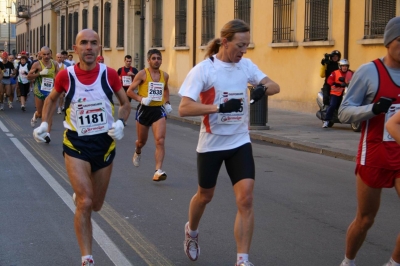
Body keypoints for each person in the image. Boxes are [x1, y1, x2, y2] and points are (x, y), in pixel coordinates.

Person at [178, 19, 280, 266]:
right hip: (212, 143)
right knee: (205, 196)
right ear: (225, 42)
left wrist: (261, 89)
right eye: (240, 45)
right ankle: (192, 231)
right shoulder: (204, 70)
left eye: (247, 45)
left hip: (239, 141)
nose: (244, 51)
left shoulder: (246, 66)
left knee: (246, 198)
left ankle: (242, 260)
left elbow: (275, 86)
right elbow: (184, 108)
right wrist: (218, 107)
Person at [32, 29, 131, 266]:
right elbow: (51, 99)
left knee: (95, 205)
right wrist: (45, 123)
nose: (88, 47)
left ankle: (82, 193)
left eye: (93, 43)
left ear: (99, 49)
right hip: (76, 143)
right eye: (83, 43)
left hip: (104, 144)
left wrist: (120, 121)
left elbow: (125, 103)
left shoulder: (109, 75)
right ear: (75, 49)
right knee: (86, 202)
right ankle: (87, 258)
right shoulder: (66, 76)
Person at [338, 16, 400, 266]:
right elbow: (343, 112)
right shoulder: (369, 72)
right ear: (389, 41)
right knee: (365, 218)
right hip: (374, 154)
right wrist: (373, 109)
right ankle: (348, 261)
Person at [126, 49, 172, 181]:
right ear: (148, 60)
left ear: (161, 60)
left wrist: (167, 102)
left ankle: (158, 170)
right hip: (144, 110)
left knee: (160, 140)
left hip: (158, 110)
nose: (156, 60)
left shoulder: (165, 75)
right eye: (154, 58)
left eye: (159, 58)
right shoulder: (142, 74)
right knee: (142, 141)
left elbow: (166, 89)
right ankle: (138, 150)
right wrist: (141, 99)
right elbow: (129, 91)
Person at [27, 46, 60, 143]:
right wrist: (40, 74)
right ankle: (35, 115)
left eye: (48, 54)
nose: (46, 56)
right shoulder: (37, 64)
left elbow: (58, 77)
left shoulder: (55, 64)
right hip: (39, 90)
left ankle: (47, 134)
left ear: (51, 54)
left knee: (49, 113)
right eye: (44, 54)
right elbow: (29, 76)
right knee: (41, 113)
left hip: (50, 91)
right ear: (40, 54)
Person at [322, 59, 354, 128]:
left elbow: (356, 79)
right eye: (343, 66)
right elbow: (329, 80)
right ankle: (326, 121)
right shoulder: (335, 73)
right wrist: (335, 83)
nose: (344, 67)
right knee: (333, 105)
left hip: (347, 92)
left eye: (346, 66)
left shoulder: (350, 73)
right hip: (336, 93)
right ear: (340, 66)